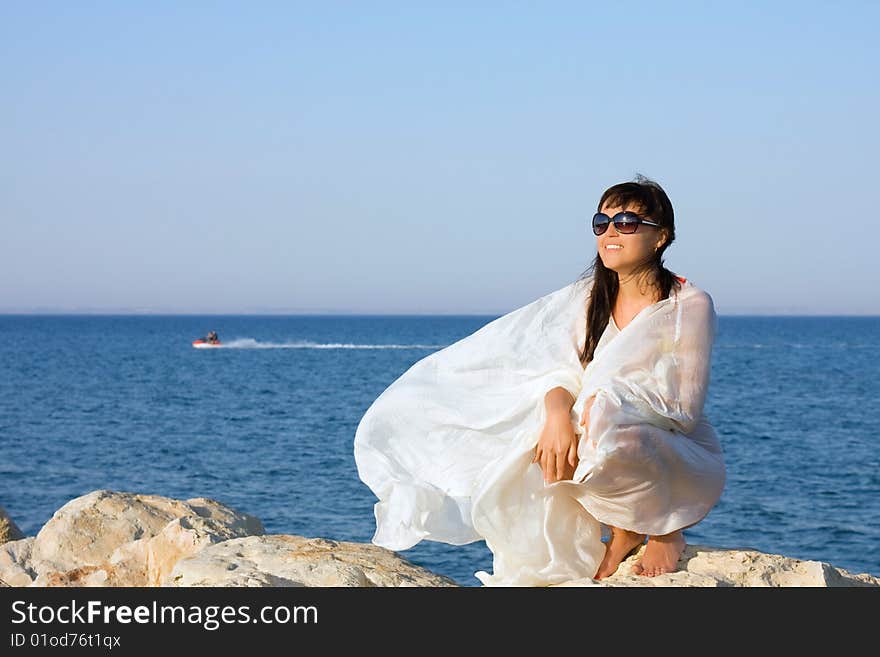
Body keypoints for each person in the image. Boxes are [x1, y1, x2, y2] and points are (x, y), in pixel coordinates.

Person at [353, 175, 724, 585]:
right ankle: (620, 528)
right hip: (598, 424)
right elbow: (555, 370)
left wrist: (600, 403)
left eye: (627, 222)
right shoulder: (588, 299)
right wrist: (555, 415)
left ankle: (663, 528)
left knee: (600, 420)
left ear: (661, 237)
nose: (611, 232)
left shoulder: (687, 304)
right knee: (534, 441)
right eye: (602, 222)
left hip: (669, 450)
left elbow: (682, 408)